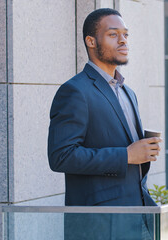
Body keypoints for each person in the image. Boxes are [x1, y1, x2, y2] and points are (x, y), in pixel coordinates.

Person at [47, 8, 161, 239]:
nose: (123, 40)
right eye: (113, 34)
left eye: (126, 35)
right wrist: (126, 156)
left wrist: (144, 151)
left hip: (137, 218)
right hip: (99, 224)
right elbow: (61, 156)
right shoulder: (75, 91)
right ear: (91, 41)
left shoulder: (129, 93)